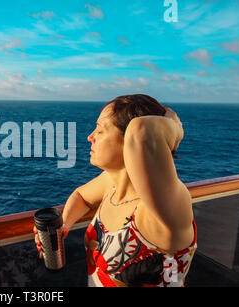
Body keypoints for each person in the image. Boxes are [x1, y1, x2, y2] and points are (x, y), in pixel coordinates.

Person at [33, 94, 197, 287]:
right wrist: (64, 225)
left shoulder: (161, 210)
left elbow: (142, 130)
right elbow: (82, 197)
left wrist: (176, 128)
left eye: (100, 130)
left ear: (128, 140)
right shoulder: (112, 183)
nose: (90, 137)